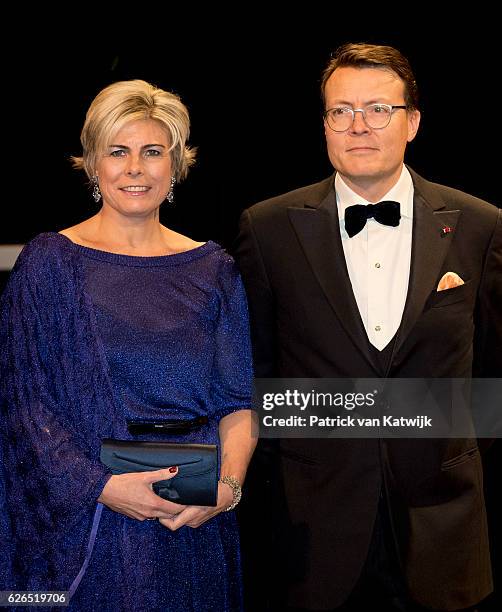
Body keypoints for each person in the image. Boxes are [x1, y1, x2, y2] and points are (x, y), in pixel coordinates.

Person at [235, 43, 502, 611]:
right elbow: (253, 378)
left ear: (413, 122)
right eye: (341, 111)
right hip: (312, 533)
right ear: (325, 125)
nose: (359, 125)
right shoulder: (268, 229)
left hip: (444, 528)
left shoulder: (481, 225)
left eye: (378, 109)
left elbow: (492, 382)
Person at [0, 79, 256, 612]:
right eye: (118, 152)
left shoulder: (214, 269)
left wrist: (227, 489)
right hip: (90, 529)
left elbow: (238, 402)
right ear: (93, 164)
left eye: (152, 151)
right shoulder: (49, 264)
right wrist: (100, 486)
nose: (135, 168)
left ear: (177, 164)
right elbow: (24, 408)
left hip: (194, 526)